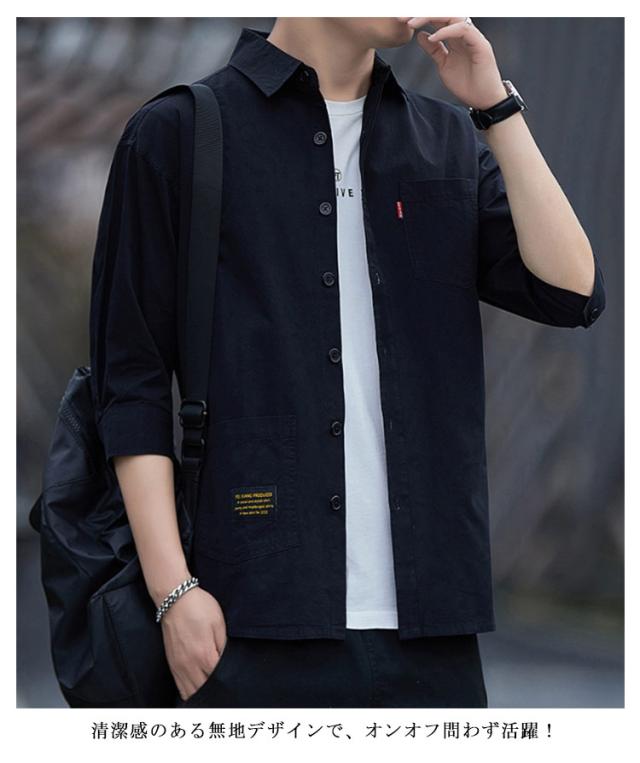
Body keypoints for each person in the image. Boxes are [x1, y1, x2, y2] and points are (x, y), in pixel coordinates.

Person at [88, 17, 605, 709]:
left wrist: (495, 107)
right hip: (246, 620)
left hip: (432, 631)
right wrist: (172, 592)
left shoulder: (445, 139)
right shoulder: (178, 133)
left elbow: (573, 293)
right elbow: (132, 382)